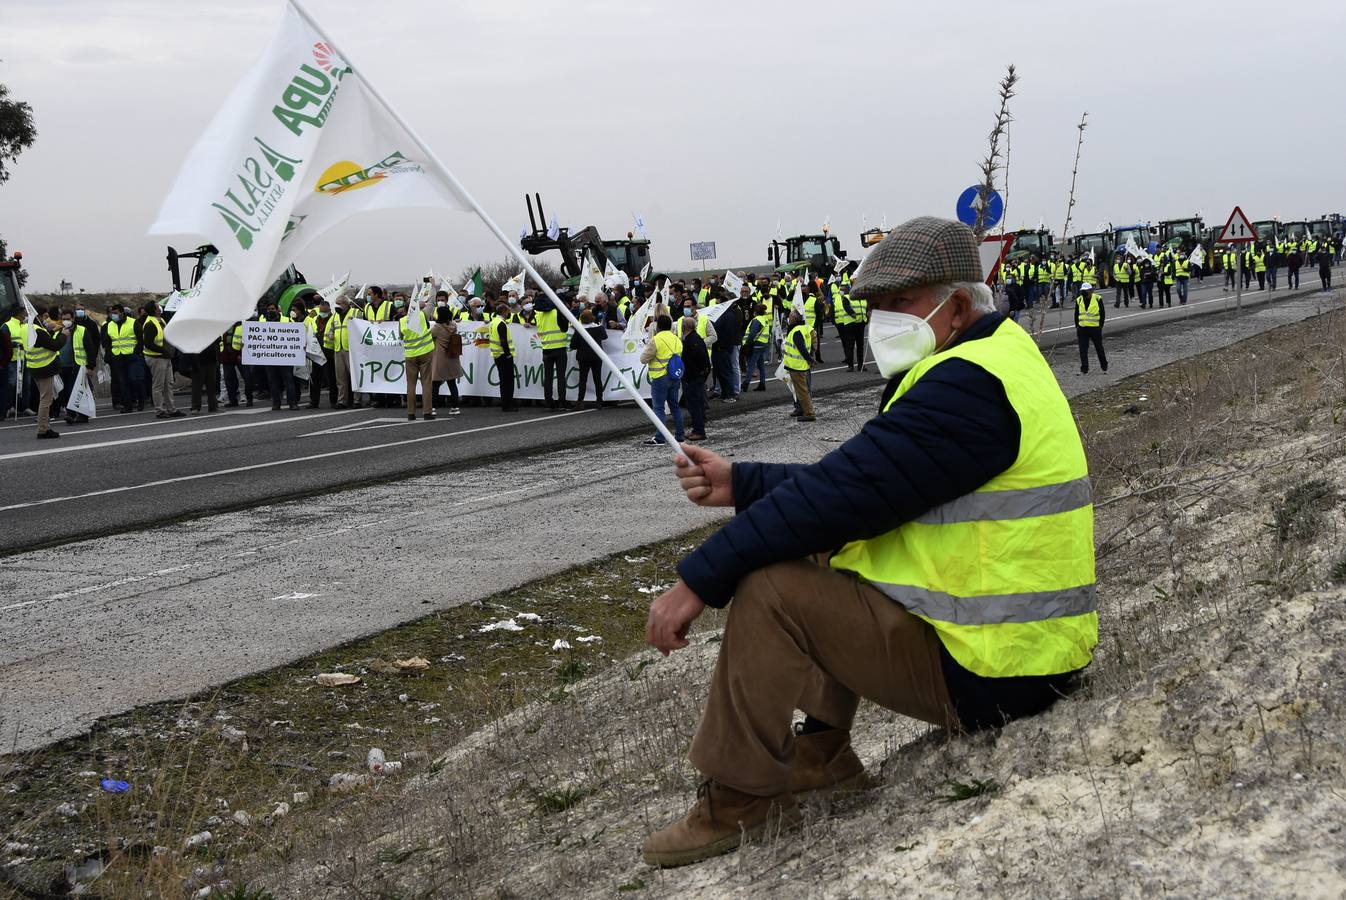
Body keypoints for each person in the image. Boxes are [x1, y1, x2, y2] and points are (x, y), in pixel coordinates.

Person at [639, 216, 1096, 868]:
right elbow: (867, 483)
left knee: (770, 584)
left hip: (999, 673)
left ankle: (739, 801)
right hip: (1026, 653)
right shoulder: (994, 360)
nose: (882, 319)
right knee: (823, 544)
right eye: (875, 306)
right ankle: (824, 756)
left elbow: (844, 493)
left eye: (900, 304)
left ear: (958, 305)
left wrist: (697, 583)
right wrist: (740, 481)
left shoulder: (966, 387)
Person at [640, 314, 683, 446]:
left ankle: (660, 437)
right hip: (674, 375)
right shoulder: (677, 339)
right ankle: (680, 436)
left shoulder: (656, 339)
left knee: (659, 408)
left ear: (658, 327)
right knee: (675, 406)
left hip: (659, 376)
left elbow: (643, 359)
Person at [27, 309, 68, 439]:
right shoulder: (38, 330)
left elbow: (41, 340)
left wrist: (52, 331)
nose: (46, 319)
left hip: (34, 367)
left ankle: (45, 426)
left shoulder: (28, 327)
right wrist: (63, 335)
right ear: (37, 315)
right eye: (44, 316)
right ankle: (43, 429)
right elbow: (54, 345)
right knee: (46, 400)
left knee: (43, 398)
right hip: (44, 368)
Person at [141, 300, 183, 418]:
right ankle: (159, 410)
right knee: (158, 385)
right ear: (155, 310)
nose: (160, 307)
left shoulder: (161, 320)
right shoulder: (150, 324)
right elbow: (148, 343)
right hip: (156, 358)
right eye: (158, 306)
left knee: (168, 384)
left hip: (165, 357)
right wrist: (163, 351)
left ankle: (171, 409)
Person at [533, 292, 571, 410]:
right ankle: (562, 401)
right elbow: (564, 328)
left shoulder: (538, 314)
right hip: (559, 349)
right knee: (560, 377)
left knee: (548, 377)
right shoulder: (557, 312)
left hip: (546, 350)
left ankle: (548, 401)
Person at [678, 309, 710, 442]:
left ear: (684, 327)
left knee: (695, 405)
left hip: (693, 377)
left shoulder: (692, 340)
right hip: (693, 376)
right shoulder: (694, 338)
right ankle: (697, 429)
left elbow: (701, 358)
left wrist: (701, 372)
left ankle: (699, 431)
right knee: (694, 404)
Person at [103, 303, 142, 413]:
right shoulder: (110, 324)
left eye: (115, 313)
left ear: (121, 312)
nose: (113, 315)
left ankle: (140, 399)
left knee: (134, 379)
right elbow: (107, 341)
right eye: (112, 313)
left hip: (132, 356)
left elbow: (140, 338)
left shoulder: (133, 322)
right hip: (118, 357)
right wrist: (110, 353)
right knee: (123, 382)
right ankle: (128, 406)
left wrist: (136, 352)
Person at [400, 301, 435, 420]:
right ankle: (427, 412)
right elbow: (431, 305)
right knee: (426, 383)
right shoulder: (422, 315)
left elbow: (400, 336)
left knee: (411, 385)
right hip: (425, 352)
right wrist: (432, 286)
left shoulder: (402, 321)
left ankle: (411, 413)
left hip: (410, 355)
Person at [782, 307, 816, 422]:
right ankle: (802, 410)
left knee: (802, 392)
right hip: (800, 365)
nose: (788, 319)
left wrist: (810, 359)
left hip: (797, 366)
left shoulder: (796, 331)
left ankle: (809, 413)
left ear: (794, 319)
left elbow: (801, 348)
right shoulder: (803, 328)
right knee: (800, 391)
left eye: (790, 317)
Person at [570, 309, 608, 410]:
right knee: (597, 379)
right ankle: (599, 401)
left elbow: (572, 345)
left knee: (583, 379)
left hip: (583, 357)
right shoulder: (598, 328)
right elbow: (605, 336)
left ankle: (580, 401)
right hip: (596, 356)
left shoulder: (580, 330)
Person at [430, 304, 463, 414]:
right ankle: (455, 407)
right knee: (452, 383)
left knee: (435, 384)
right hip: (452, 357)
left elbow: (429, 335)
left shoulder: (437, 327)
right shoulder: (453, 325)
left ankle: (432, 408)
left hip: (440, 357)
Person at [489, 302, 518, 412]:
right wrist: (508, 354)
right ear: (503, 312)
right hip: (503, 355)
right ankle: (508, 404)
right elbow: (503, 341)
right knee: (508, 381)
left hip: (497, 355)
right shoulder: (501, 323)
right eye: (508, 311)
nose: (509, 313)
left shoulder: (493, 322)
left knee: (503, 381)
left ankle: (505, 403)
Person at [1075, 282, 1107, 375]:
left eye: (1086, 291)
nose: (1084, 292)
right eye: (1082, 291)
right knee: (1083, 349)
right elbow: (1076, 314)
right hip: (1082, 328)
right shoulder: (1079, 300)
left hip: (1095, 328)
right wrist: (1077, 326)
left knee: (1099, 348)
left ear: (1090, 291)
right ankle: (1084, 368)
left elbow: (1102, 313)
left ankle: (1104, 365)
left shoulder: (1097, 298)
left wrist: (1100, 325)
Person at [740, 303, 771, 392]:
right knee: (760, 365)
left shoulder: (756, 320)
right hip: (763, 344)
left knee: (750, 365)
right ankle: (762, 384)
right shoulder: (764, 319)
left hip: (756, 345)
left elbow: (752, 335)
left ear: (755, 312)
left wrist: (746, 345)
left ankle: (746, 384)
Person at [220, 321, 252, 407]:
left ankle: (249, 399)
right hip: (226, 357)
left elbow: (248, 341)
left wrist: (242, 354)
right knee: (229, 379)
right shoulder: (222, 325)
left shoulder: (242, 325)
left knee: (246, 377)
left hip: (240, 356)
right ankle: (233, 400)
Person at [188, 331, 220, 415]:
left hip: (211, 361)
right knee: (197, 387)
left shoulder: (210, 331)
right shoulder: (195, 333)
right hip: (199, 362)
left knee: (212, 386)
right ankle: (195, 407)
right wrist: (194, 364)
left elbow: (217, 342)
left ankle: (213, 406)